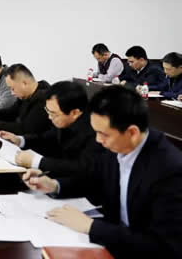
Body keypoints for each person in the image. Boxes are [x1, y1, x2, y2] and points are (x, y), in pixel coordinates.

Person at [23, 86, 182, 258]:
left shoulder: (170, 170)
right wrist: (54, 185)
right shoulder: (118, 146)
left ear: (132, 133)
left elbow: (163, 246)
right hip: (113, 240)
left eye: (103, 134)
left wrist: (91, 227)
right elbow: (93, 179)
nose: (98, 140)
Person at [0, 81, 102, 176]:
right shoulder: (64, 121)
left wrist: (38, 162)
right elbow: (47, 137)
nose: (49, 117)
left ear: (74, 113)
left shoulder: (95, 132)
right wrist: (19, 140)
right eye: (47, 110)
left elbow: (80, 167)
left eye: (53, 113)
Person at [0, 64, 52, 136]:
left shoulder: (44, 99)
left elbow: (25, 129)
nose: (12, 93)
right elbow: (11, 112)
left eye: (13, 88)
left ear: (24, 83)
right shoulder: (25, 95)